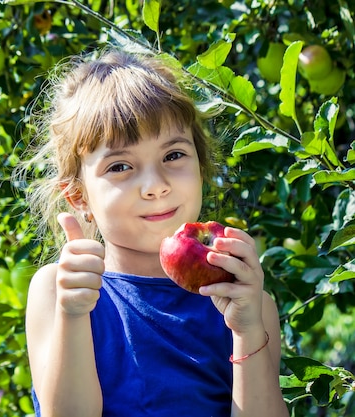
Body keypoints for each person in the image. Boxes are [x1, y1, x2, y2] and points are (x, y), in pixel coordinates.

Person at [16, 48, 289, 416]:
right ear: (78, 196)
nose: (155, 185)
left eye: (173, 156)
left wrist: (247, 331)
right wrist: (73, 314)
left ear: (201, 166)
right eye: (121, 166)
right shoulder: (61, 291)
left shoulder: (245, 303)